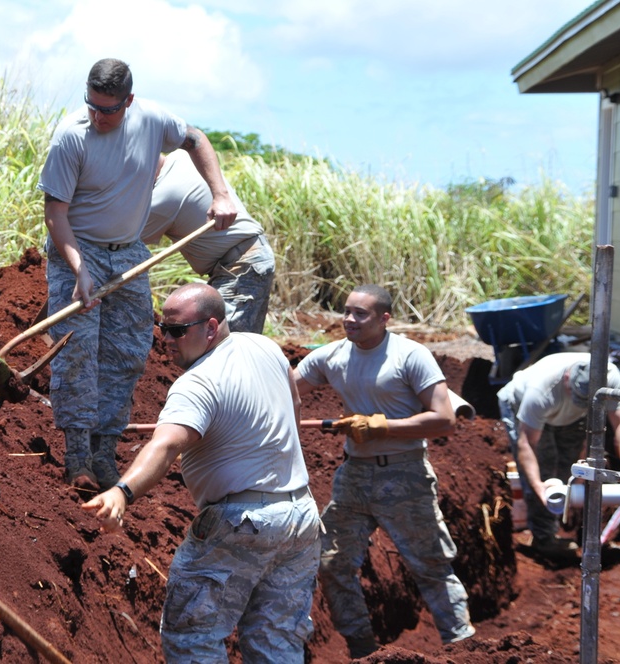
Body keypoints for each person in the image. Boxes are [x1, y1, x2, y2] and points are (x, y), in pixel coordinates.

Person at [82, 283, 321, 662]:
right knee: (275, 639)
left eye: (177, 331)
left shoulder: (196, 383)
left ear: (211, 327)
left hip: (242, 522)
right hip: (300, 516)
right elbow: (293, 403)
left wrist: (121, 492)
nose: (166, 340)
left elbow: (166, 445)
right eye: (163, 328)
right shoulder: (264, 347)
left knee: (192, 637)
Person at [37, 58, 236, 492]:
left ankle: (104, 453)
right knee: (76, 354)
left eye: (108, 109)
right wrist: (79, 270)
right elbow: (55, 213)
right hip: (79, 250)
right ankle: (77, 459)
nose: (97, 116)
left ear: (128, 101)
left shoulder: (152, 120)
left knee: (127, 353)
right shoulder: (72, 136)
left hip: (128, 253)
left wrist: (220, 193)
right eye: (91, 105)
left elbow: (196, 138)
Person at [293, 283, 475, 659]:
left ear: (384, 318)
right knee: (332, 563)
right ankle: (363, 650)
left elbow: (444, 420)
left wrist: (382, 426)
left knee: (430, 566)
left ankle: (463, 649)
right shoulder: (332, 357)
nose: (349, 319)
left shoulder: (410, 355)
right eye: (346, 311)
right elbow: (287, 389)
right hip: (354, 476)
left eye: (360, 314)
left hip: (404, 475)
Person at [497, 352, 620, 559]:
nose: (578, 401)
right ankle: (544, 538)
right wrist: (538, 485)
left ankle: (565, 523)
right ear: (568, 378)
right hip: (523, 408)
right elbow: (527, 444)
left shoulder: (611, 377)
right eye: (576, 396)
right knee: (545, 471)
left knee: (569, 467)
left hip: (569, 417)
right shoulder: (541, 390)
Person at [145, 150, 275, 334]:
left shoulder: (163, 199)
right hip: (247, 257)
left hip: (241, 265)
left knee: (224, 342)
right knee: (230, 338)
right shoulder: (183, 156)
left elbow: (123, 240)